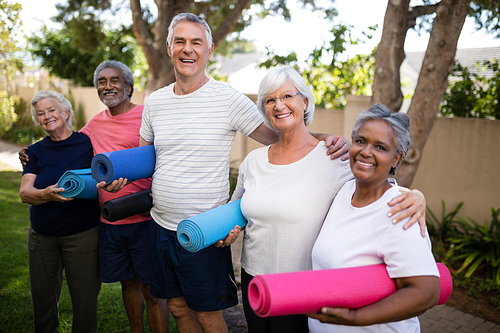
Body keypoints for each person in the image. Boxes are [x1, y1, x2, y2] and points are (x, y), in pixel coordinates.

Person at [100, 13, 349, 333]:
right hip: (160, 224)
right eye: (180, 41)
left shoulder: (228, 99)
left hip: (205, 229)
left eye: (196, 42)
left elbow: (282, 135)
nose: (187, 49)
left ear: (209, 49)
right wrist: (123, 174)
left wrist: (325, 139)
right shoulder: (156, 101)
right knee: (176, 306)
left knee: (206, 313)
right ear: (168, 47)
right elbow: (148, 156)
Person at [225, 67, 427, 333]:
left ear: (305, 101)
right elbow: (237, 209)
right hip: (254, 276)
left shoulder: (336, 159)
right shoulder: (254, 161)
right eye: (270, 100)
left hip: (304, 284)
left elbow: (374, 186)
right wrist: (227, 232)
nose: (279, 105)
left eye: (287, 96)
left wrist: (415, 196)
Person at [20, 61, 169, 333]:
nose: (107, 86)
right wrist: (29, 153)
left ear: (129, 86)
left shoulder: (148, 116)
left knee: (152, 289)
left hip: (145, 216)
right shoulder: (94, 126)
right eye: (102, 81)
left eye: (114, 80)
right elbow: (66, 144)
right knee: (128, 284)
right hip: (111, 220)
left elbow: (169, 156)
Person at [307, 104, 440, 332]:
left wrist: (356, 317)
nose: (366, 152)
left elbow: (427, 293)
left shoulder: (401, 210)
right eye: (360, 141)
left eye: (380, 147)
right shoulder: (345, 191)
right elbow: (296, 137)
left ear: (396, 159)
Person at [19, 90, 101, 333]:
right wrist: (47, 194)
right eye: (40, 114)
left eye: (51, 110)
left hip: (82, 235)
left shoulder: (88, 144)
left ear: (66, 112)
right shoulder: (34, 152)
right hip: (42, 237)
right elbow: (25, 193)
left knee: (85, 301)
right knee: (43, 302)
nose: (46, 116)